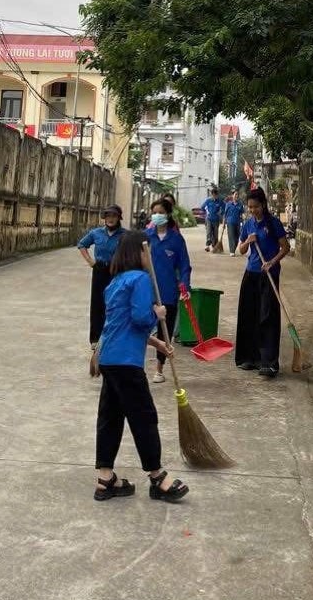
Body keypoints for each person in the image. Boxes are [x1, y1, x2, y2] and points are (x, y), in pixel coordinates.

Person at [93, 230, 189, 503]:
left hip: (110, 359)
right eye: (148, 250)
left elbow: (119, 325)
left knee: (110, 418)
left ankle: (105, 479)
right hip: (126, 363)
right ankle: (157, 477)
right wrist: (156, 314)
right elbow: (138, 319)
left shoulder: (115, 283)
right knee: (144, 417)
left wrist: (158, 344)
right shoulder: (141, 280)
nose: (150, 255)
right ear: (139, 252)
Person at [235, 189, 290, 378]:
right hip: (251, 273)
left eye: (256, 207)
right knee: (248, 315)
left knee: (267, 317)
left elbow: (285, 247)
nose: (253, 210)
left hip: (269, 275)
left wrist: (272, 262)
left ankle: (268, 362)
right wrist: (248, 241)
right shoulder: (248, 224)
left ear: (263, 205)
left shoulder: (273, 223)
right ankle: (248, 358)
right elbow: (240, 250)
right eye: (250, 207)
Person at [145, 198, 191, 383]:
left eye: (161, 212)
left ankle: (159, 368)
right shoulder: (146, 237)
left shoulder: (176, 239)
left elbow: (185, 266)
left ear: (168, 215)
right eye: (154, 212)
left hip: (169, 292)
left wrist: (185, 286)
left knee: (165, 331)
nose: (157, 215)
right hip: (147, 291)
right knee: (142, 327)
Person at [77, 205, 126, 362]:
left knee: (114, 303)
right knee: (97, 304)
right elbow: (82, 244)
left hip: (116, 272)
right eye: (108, 216)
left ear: (119, 218)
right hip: (99, 270)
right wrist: (91, 262)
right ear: (104, 218)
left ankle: (112, 336)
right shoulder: (96, 233)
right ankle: (95, 339)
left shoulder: (125, 235)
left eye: (114, 216)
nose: (111, 219)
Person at [200, 187, 223, 252]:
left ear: (217, 195)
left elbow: (224, 208)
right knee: (209, 232)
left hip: (216, 220)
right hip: (209, 219)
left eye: (216, 195)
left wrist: (220, 212)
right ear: (211, 195)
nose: (214, 197)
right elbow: (202, 207)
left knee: (215, 234)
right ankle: (207, 246)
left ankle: (214, 246)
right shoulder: (208, 200)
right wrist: (206, 212)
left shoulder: (219, 201)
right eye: (213, 195)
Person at [223, 190, 245, 256]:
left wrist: (243, 221)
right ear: (232, 196)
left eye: (237, 194)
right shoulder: (228, 204)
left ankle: (233, 249)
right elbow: (225, 214)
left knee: (237, 237)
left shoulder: (240, 204)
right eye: (235, 194)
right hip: (230, 222)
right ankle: (232, 251)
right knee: (231, 236)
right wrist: (224, 223)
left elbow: (242, 213)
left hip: (238, 222)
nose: (236, 196)